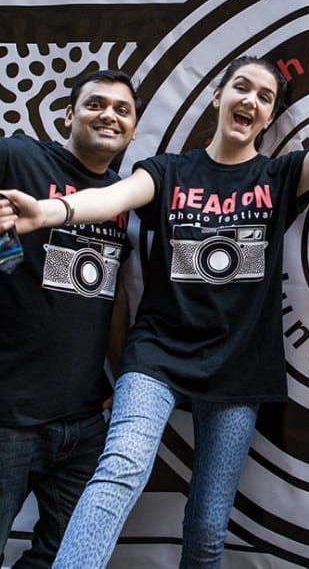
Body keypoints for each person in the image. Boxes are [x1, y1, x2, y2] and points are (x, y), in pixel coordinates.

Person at [0, 2, 309, 569]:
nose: (250, 100)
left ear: (270, 114)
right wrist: (52, 215)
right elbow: (109, 199)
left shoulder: (279, 177)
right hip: (156, 357)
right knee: (118, 475)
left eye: (264, 96)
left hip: (238, 366)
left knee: (206, 531)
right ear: (217, 97)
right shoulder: (166, 170)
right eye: (240, 88)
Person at [0, 70, 140, 568]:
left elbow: (114, 295)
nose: (109, 115)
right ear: (68, 114)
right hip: (9, 414)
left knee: (70, 556)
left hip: (83, 420)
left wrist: (120, 373)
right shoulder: (19, 157)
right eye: (95, 104)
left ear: (133, 128)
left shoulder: (122, 199)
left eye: (122, 110)